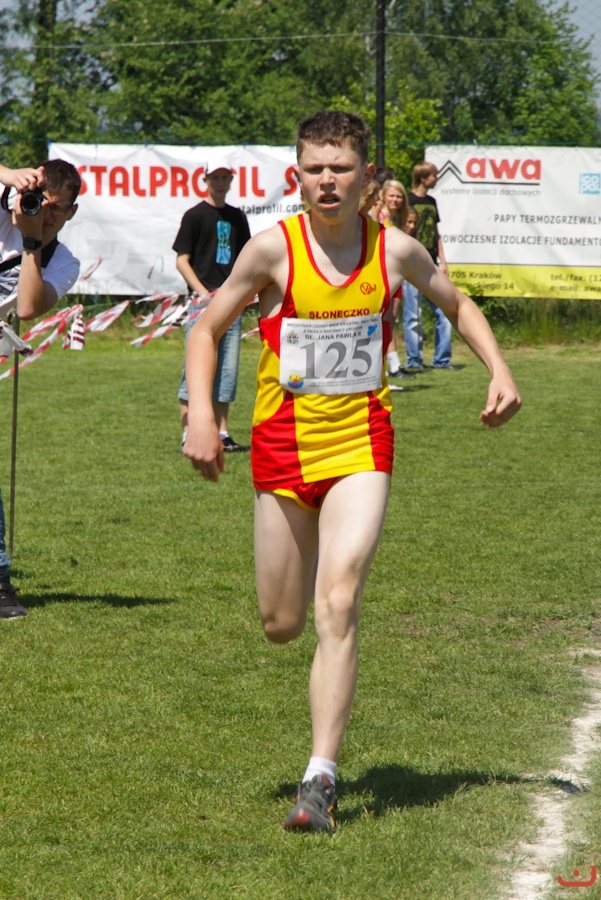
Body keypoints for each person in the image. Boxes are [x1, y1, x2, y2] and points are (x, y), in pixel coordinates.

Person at [183, 110, 521, 832]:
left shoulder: (393, 250)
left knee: (338, 601)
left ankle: (320, 780)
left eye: (341, 168)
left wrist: (498, 368)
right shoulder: (272, 251)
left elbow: (457, 303)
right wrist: (203, 416)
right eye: (315, 169)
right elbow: (207, 329)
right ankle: (312, 726)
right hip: (281, 448)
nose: (328, 180)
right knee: (280, 624)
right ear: (296, 176)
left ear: (366, 176)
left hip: (361, 446)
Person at [0, 159, 81, 619]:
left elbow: (29, 306)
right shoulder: (5, 206)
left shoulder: (63, 261)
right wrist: (10, 177)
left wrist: (31, 240)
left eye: (57, 208)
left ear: (72, 212)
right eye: (40, 203)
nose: (45, 214)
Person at [173, 160, 251, 452]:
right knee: (195, 368)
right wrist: (204, 293)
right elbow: (182, 261)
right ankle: (188, 432)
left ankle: (222, 433)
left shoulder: (237, 217)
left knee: (227, 370)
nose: (220, 183)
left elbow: (246, 259)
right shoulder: (194, 215)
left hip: (231, 303)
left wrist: (239, 293)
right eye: (215, 177)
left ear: (231, 181)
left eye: (225, 177)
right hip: (201, 304)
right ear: (205, 179)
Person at [407, 161, 454, 370]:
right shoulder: (407, 200)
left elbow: (436, 233)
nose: (436, 179)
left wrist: (443, 261)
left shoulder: (432, 202)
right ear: (423, 178)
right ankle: (414, 360)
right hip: (411, 263)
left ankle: (442, 360)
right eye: (433, 175)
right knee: (413, 315)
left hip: (431, 263)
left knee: (444, 311)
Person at [378, 180, 414, 380]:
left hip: (395, 275)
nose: (395, 200)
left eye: (399, 196)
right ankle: (381, 367)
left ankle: (393, 365)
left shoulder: (398, 220)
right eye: (392, 195)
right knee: (380, 320)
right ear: (384, 196)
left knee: (390, 320)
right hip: (380, 275)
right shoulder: (378, 216)